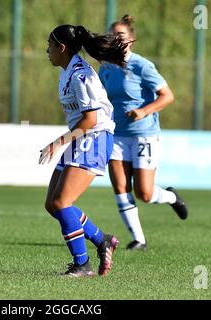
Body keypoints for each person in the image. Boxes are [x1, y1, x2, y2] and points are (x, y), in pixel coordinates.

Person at [39, 24, 127, 277]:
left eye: (50, 44)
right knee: (52, 204)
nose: (47, 50)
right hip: (83, 138)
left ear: (62, 48)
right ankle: (102, 240)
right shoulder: (67, 71)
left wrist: (57, 143)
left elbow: (90, 119)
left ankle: (82, 265)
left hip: (95, 137)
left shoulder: (80, 75)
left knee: (62, 202)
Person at [98, 15, 188, 252]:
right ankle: (139, 240)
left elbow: (167, 96)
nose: (115, 39)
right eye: (111, 35)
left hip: (144, 134)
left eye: (120, 35)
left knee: (144, 193)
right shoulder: (106, 68)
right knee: (120, 186)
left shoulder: (142, 66)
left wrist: (143, 111)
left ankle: (171, 197)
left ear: (131, 40)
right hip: (116, 135)